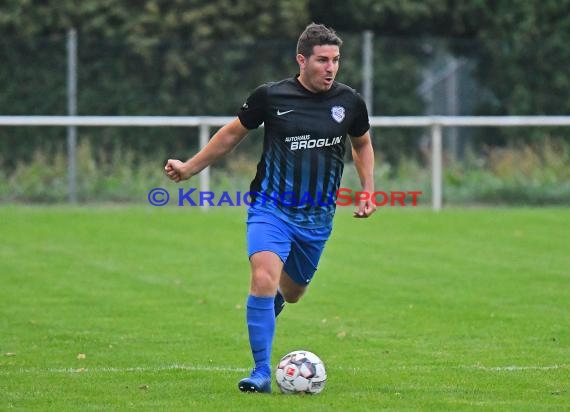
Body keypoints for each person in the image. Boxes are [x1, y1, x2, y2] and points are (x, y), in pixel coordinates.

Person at [165, 23, 376, 393]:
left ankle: (267, 308)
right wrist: (189, 167)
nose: (331, 68)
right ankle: (261, 371)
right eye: (323, 60)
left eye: (336, 60)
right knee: (263, 277)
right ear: (302, 59)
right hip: (271, 208)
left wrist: (368, 191)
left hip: (317, 218)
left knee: (291, 293)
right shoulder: (271, 97)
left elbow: (361, 145)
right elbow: (232, 133)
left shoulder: (349, 102)